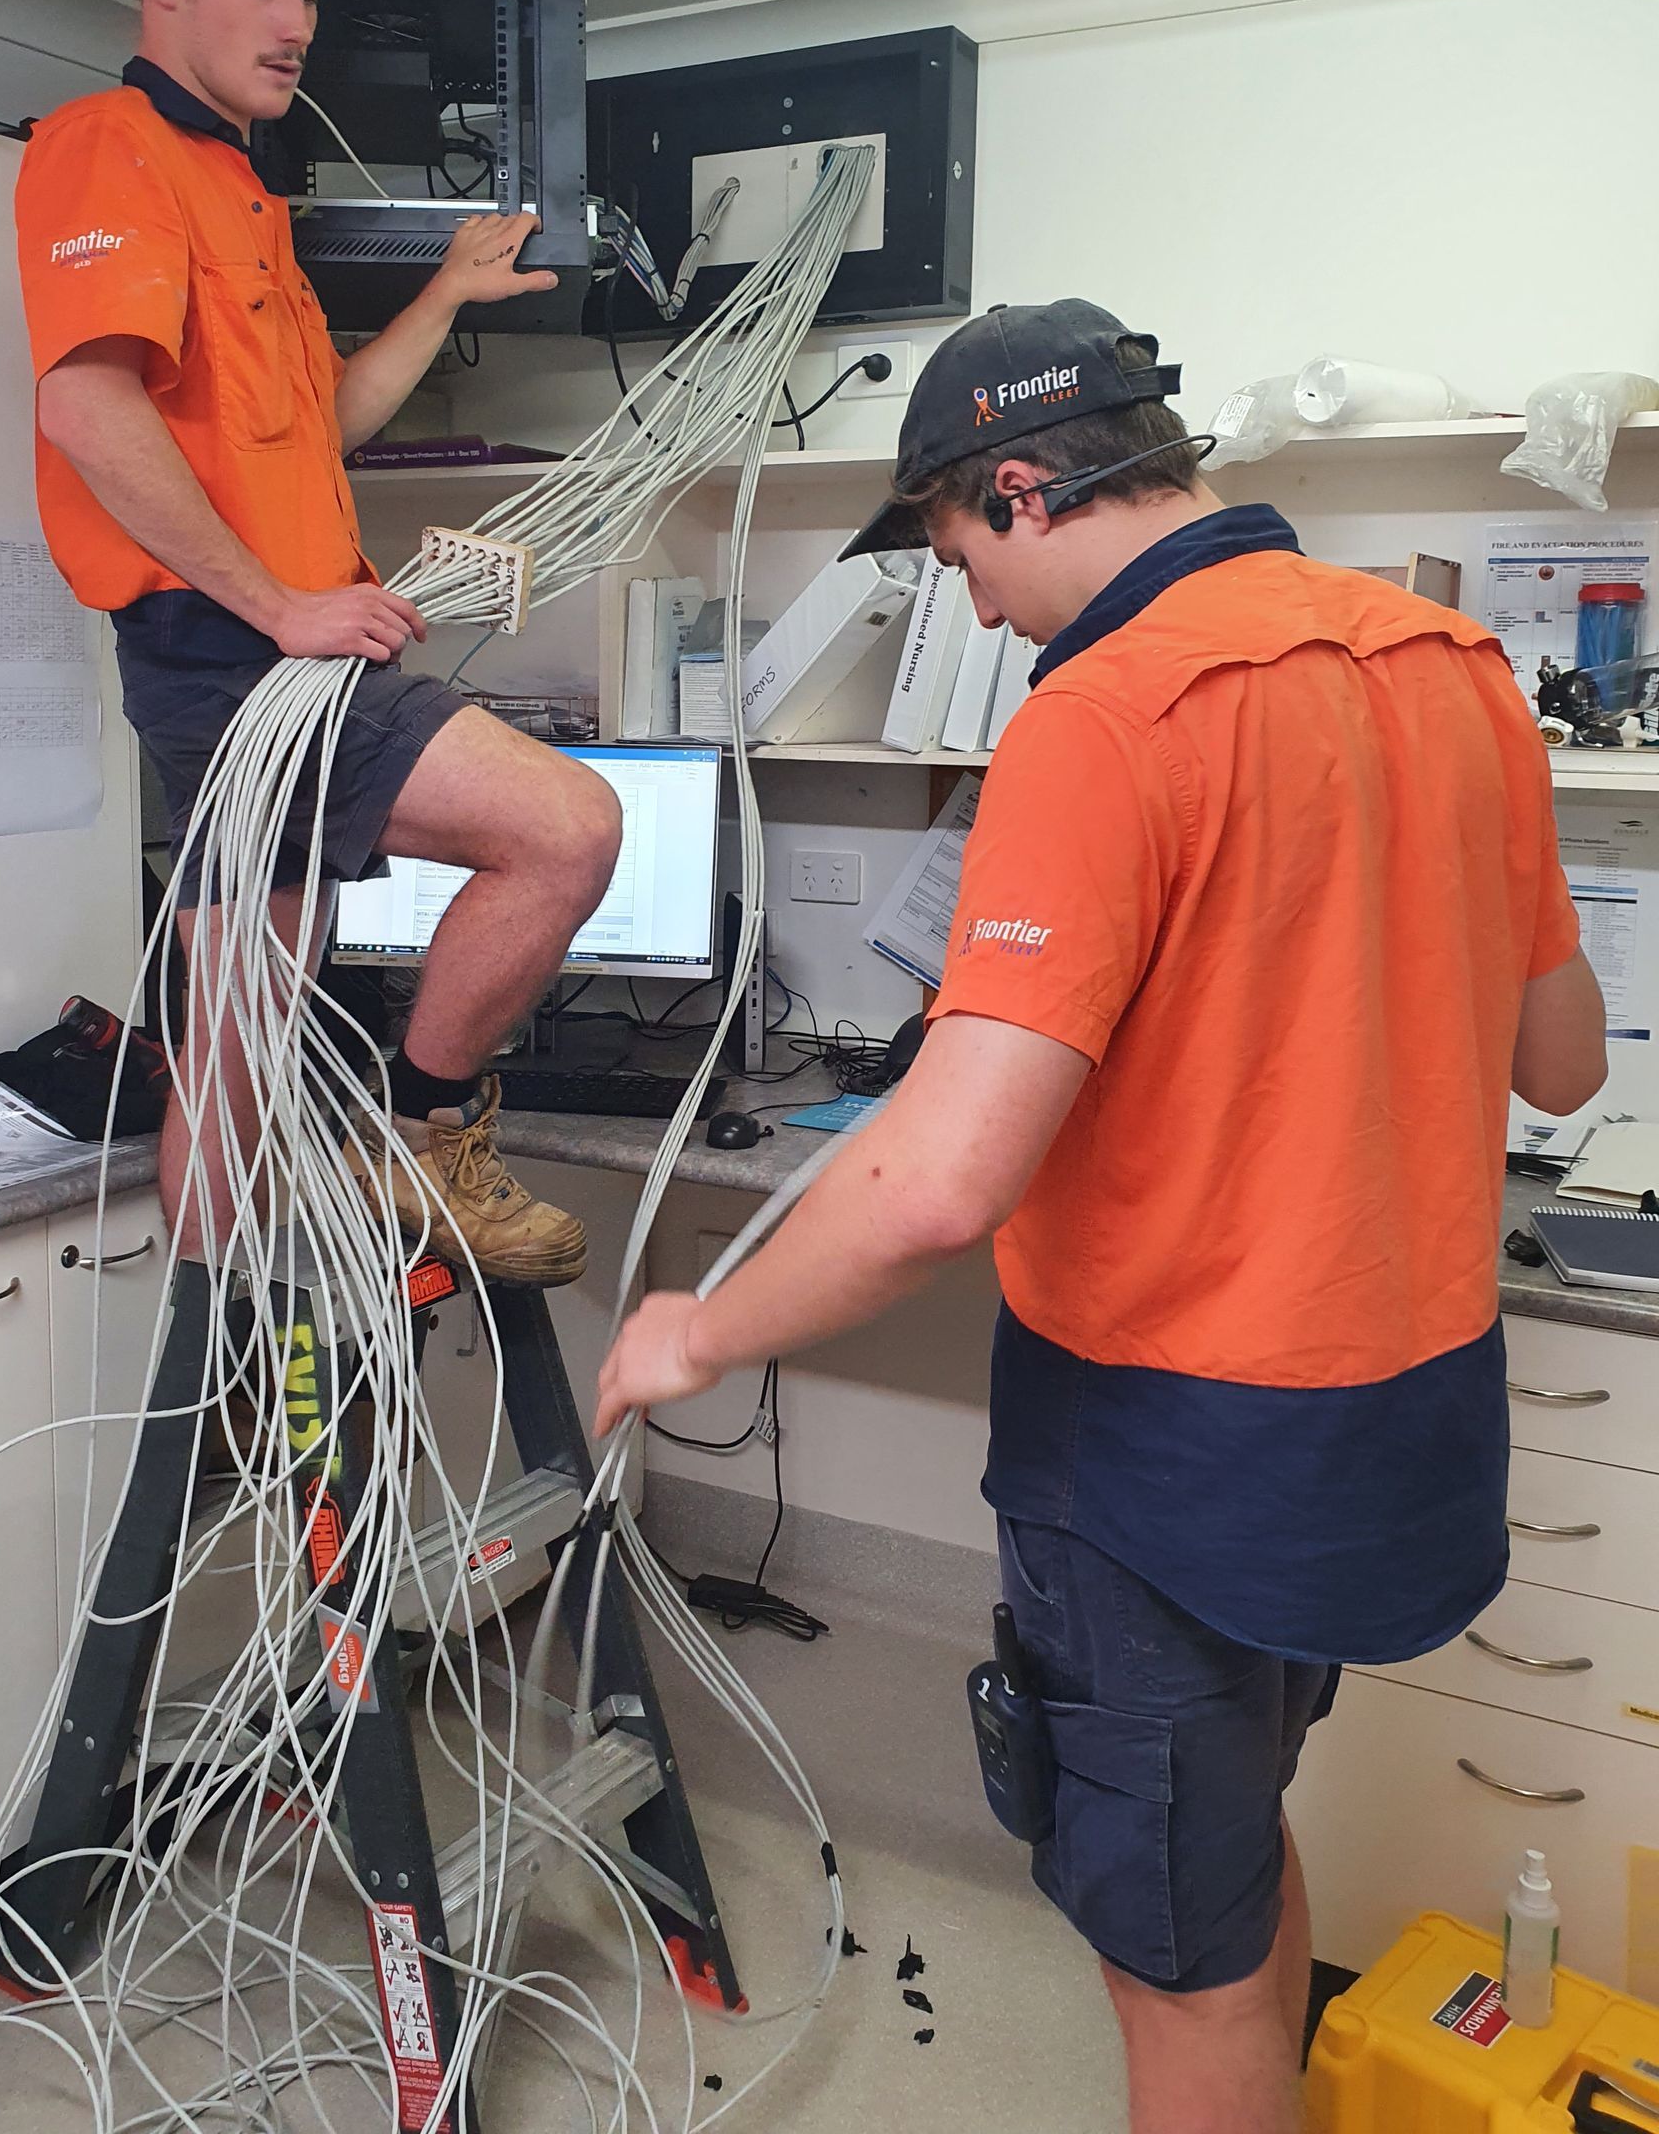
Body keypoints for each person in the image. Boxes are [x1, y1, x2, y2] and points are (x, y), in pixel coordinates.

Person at [597, 299, 1608, 2134]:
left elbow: (942, 1178)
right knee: (1233, 1865)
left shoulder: (1109, 712)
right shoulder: (1453, 664)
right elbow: (1563, 1062)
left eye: (962, 556)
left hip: (1171, 1447)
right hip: (1395, 1411)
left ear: (1015, 488)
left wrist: (692, 1332)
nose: (974, 611)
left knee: (1176, 1969)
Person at [15, 0, 620, 1284]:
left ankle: (209, 1384)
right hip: (230, 651)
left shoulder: (245, 194)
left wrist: (443, 295)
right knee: (570, 829)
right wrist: (282, 605)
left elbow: (312, 431)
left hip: (253, 639)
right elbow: (88, 405)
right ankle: (421, 1132)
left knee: (231, 1058)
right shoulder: (105, 153)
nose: (294, 22)